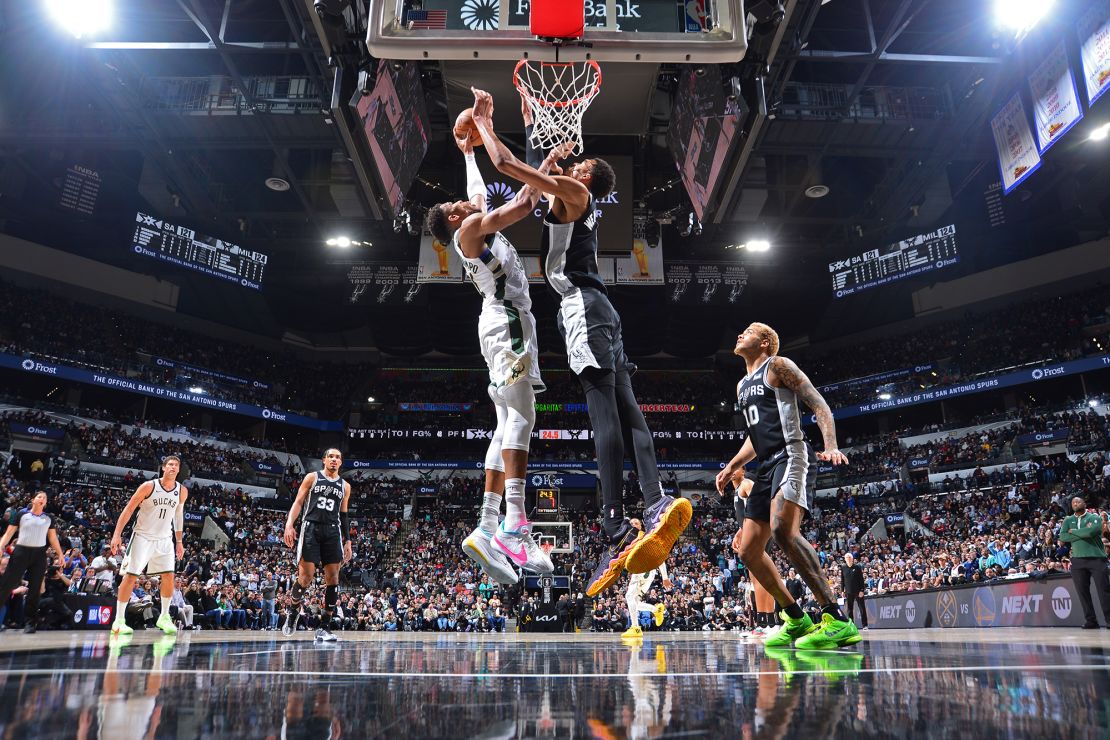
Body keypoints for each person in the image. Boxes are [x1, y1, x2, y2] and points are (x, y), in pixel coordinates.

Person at [469, 87, 692, 597]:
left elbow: (507, 168)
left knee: (604, 418)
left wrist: (484, 125)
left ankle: (614, 525)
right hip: (604, 312)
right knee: (629, 411)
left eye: (581, 162)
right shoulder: (572, 200)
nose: (575, 163)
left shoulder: (578, 195)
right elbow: (533, 185)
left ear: (585, 177)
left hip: (584, 311)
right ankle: (655, 499)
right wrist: (534, 129)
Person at [425, 130, 568, 584]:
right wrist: (547, 162)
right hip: (507, 325)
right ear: (452, 219)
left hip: (500, 324)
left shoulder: (472, 223)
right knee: (523, 418)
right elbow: (525, 204)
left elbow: (479, 192)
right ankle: (514, 523)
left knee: (506, 422)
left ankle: (487, 527)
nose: (468, 202)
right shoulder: (468, 230)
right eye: (459, 205)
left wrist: (468, 150)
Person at [716, 322, 860, 650]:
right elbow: (755, 437)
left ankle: (837, 618)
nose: (740, 334)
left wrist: (832, 443)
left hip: (790, 454)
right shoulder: (741, 385)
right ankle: (794, 617)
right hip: (765, 464)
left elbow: (817, 403)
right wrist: (731, 466)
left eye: (749, 331)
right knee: (749, 551)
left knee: (783, 530)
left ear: (765, 343)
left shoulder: (778, 365)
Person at [108, 455, 188, 636]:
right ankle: (119, 620)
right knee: (130, 577)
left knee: (169, 576)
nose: (173, 467)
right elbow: (128, 509)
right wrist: (116, 534)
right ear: (163, 468)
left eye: (176, 465)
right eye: (170, 464)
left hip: (165, 538)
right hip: (142, 536)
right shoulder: (149, 486)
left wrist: (180, 541)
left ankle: (165, 616)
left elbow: (178, 516)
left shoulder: (182, 491)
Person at [282, 449, 353, 641]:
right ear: (324, 460)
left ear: (341, 462)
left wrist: (348, 541)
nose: (334, 459)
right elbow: (298, 502)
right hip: (310, 528)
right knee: (306, 577)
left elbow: (344, 515)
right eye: (331, 456)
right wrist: (289, 524)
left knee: (333, 579)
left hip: (332, 531)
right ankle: (293, 611)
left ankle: (323, 628)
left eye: (338, 457)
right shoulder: (312, 478)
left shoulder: (345, 486)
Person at [0, 491, 66, 633]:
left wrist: (60, 554)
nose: (42, 499)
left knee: (35, 590)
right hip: (21, 552)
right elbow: (9, 533)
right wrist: (1, 546)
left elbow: (53, 538)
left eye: (45, 498)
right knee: (6, 584)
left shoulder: (49, 518)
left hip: (39, 554)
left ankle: (30, 623)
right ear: (33, 499)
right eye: (40, 497)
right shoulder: (21, 514)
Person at [728, 476, 777, 635]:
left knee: (759, 578)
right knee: (762, 578)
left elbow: (761, 501)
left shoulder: (746, 483)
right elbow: (747, 515)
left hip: (759, 531)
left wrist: (751, 530)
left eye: (737, 466)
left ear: (743, 470)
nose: (732, 470)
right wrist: (741, 531)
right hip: (756, 531)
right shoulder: (737, 490)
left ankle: (762, 624)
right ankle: (770, 623)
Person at [1059, 495, 1110, 629]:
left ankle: (1109, 620)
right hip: (1077, 560)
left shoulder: (1094, 517)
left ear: (1084, 504)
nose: (1075, 503)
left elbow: (1091, 532)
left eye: (1078, 501)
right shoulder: (1068, 519)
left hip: (1097, 558)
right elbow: (1063, 536)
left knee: (1104, 591)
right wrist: (1082, 532)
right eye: (1073, 502)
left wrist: (1073, 532)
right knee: (1083, 593)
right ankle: (1091, 621)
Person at [621, 518, 671, 639]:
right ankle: (656, 610)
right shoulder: (629, 540)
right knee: (635, 602)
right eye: (631, 523)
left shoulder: (644, 538)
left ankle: (635, 628)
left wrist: (665, 577)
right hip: (641, 571)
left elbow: (658, 556)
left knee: (629, 597)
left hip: (644, 569)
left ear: (641, 526)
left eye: (636, 523)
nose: (633, 525)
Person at [841, 552, 868, 630]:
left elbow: (861, 580)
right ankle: (851, 625)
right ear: (845, 559)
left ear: (852, 559)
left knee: (862, 608)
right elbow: (842, 580)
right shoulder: (843, 567)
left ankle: (865, 625)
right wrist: (842, 590)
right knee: (849, 609)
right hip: (848, 592)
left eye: (850, 558)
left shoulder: (857, 567)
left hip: (858, 591)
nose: (849, 559)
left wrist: (862, 590)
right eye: (847, 558)